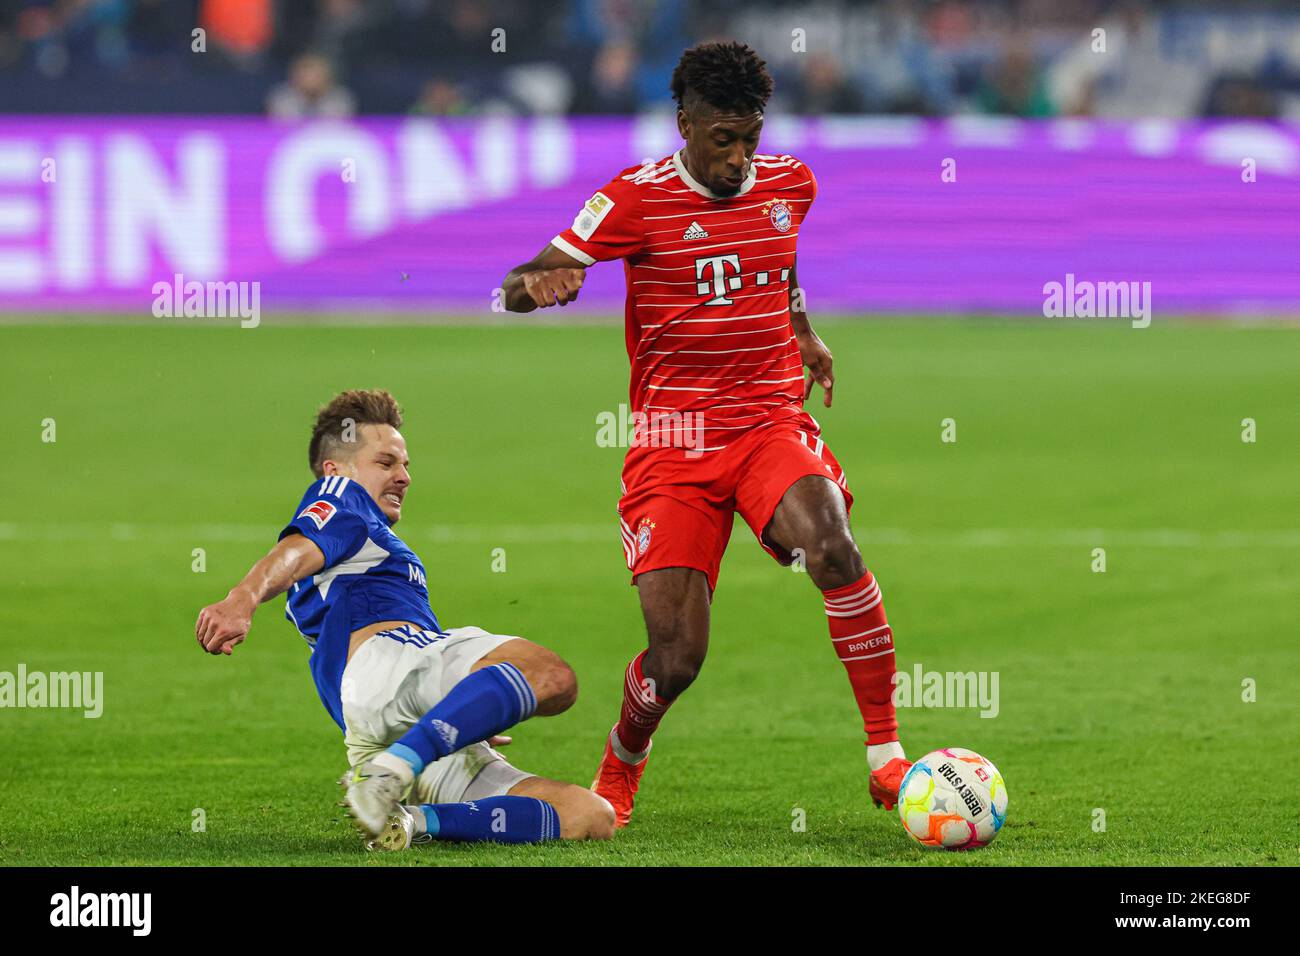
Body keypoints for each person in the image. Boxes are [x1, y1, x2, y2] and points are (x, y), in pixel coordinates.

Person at [500, 42, 911, 828]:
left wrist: (803, 330)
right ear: (684, 123)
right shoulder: (632, 199)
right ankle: (623, 758)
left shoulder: (792, 184)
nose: (738, 158)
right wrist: (539, 286)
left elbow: (779, 262)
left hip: (766, 420)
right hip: (671, 445)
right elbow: (520, 280)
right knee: (677, 658)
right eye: (721, 139)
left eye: (749, 138)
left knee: (832, 547)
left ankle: (885, 758)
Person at [195, 389, 614, 849]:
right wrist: (242, 598)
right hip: (387, 667)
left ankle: (410, 818)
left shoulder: (361, 545)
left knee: (588, 816)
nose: (404, 477)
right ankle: (395, 768)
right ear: (337, 469)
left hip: (377, 719)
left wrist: (471, 708)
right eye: (386, 462)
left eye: (406, 465)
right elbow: (294, 550)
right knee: (552, 677)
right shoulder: (340, 497)